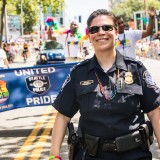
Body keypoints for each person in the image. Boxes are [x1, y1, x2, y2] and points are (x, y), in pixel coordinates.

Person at [49, 9, 160, 160]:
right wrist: (54, 156)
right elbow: (63, 116)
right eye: (94, 29)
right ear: (89, 36)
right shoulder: (78, 73)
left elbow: (155, 112)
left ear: (116, 32)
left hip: (134, 155)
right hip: (90, 155)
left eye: (107, 28)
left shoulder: (136, 69)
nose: (101, 32)